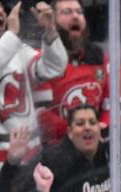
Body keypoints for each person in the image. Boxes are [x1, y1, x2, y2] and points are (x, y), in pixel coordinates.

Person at [0, 1, 67, 173]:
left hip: (30, 159)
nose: (0, 12)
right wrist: (12, 34)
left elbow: (54, 67)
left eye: (1, 8)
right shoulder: (10, 43)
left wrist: (50, 31)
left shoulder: (18, 50)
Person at [35, 0, 102, 146]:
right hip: (55, 149)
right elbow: (42, 115)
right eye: (66, 12)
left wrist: (100, 129)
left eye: (79, 12)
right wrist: (77, 133)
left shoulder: (98, 58)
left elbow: (111, 106)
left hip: (92, 145)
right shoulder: (40, 61)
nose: (75, 16)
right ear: (52, 20)